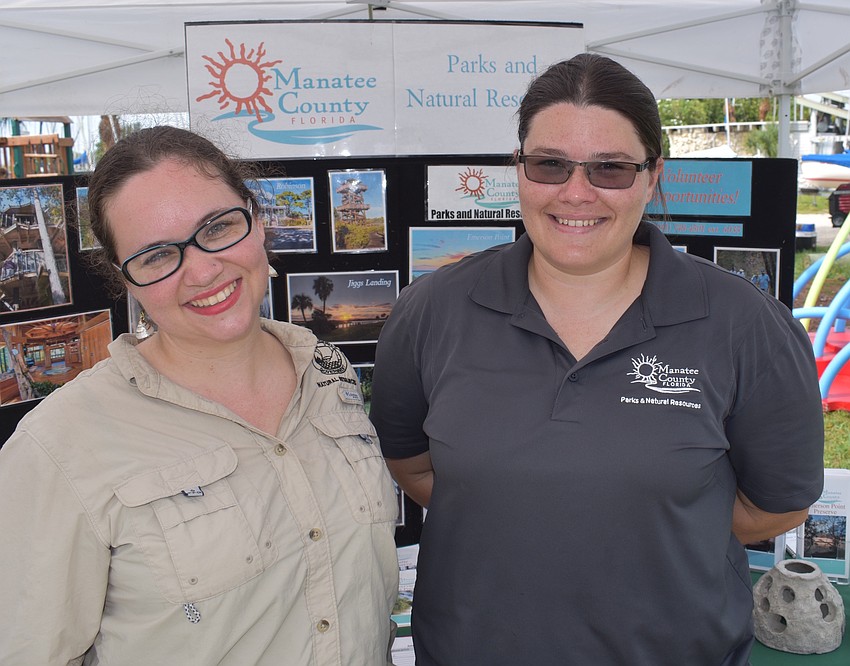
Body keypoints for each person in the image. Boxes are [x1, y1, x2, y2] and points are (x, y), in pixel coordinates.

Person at [370, 54, 824, 665]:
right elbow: (413, 466)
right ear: (519, 170)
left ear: (653, 175)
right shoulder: (430, 312)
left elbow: (778, 504)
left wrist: (653, 537)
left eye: (610, 168)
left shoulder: (744, 323)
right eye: (549, 164)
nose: (576, 192)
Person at [0, 126, 399, 665]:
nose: (204, 268)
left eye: (217, 227)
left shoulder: (328, 371)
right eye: (157, 255)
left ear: (258, 220)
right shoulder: (62, 446)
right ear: (126, 282)